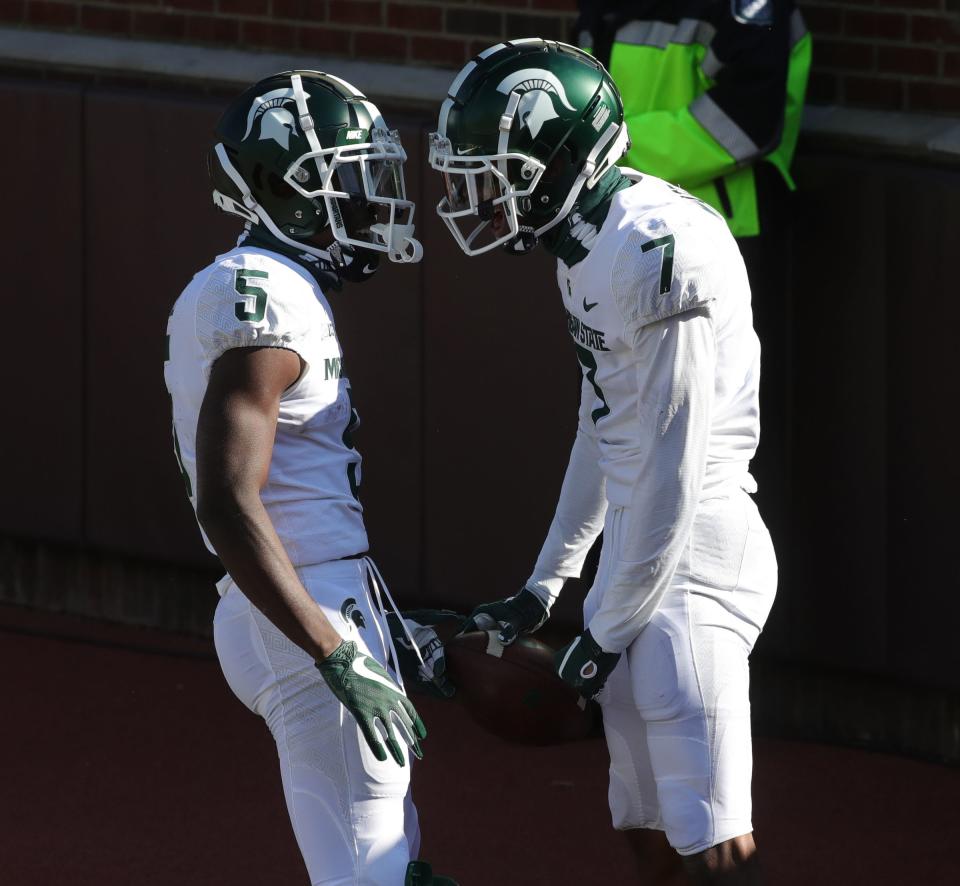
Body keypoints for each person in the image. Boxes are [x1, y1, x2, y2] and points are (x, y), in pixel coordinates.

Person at [431, 40, 777, 884]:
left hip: (693, 550)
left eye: (498, 169)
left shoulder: (659, 248)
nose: (481, 193)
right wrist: (550, 581)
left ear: (558, 160)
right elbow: (606, 423)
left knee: (714, 838)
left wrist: (607, 627)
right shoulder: (586, 242)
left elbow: (672, 461)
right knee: (642, 813)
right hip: (640, 546)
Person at [164, 70, 456, 886]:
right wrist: (333, 648)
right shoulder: (259, 297)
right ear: (284, 189)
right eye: (348, 177)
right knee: (365, 876)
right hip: (300, 609)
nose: (370, 199)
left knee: (389, 860)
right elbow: (226, 500)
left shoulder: (284, 289)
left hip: (321, 593)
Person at [575, 0, 812, 569]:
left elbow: (748, 119)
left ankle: (694, 611)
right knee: (621, 427)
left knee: (712, 451)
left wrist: (609, 149)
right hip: (616, 233)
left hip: (718, 248)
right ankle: (618, 603)